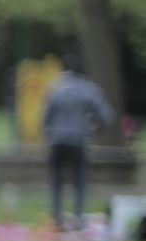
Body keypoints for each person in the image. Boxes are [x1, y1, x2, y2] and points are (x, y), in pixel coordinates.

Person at [43, 53, 116, 229]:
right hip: (78, 141)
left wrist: (50, 134)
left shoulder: (55, 88)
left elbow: (46, 119)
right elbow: (107, 117)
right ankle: (77, 218)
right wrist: (94, 126)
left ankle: (57, 218)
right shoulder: (88, 89)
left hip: (57, 141)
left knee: (56, 181)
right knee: (80, 182)